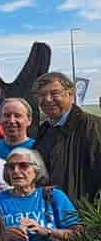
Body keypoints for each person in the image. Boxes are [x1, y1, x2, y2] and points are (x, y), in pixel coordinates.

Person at [33, 71, 101, 205]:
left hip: (84, 216)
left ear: (70, 94)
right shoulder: (44, 131)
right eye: (42, 95)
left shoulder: (92, 126)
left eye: (54, 93)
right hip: (52, 215)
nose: (47, 99)